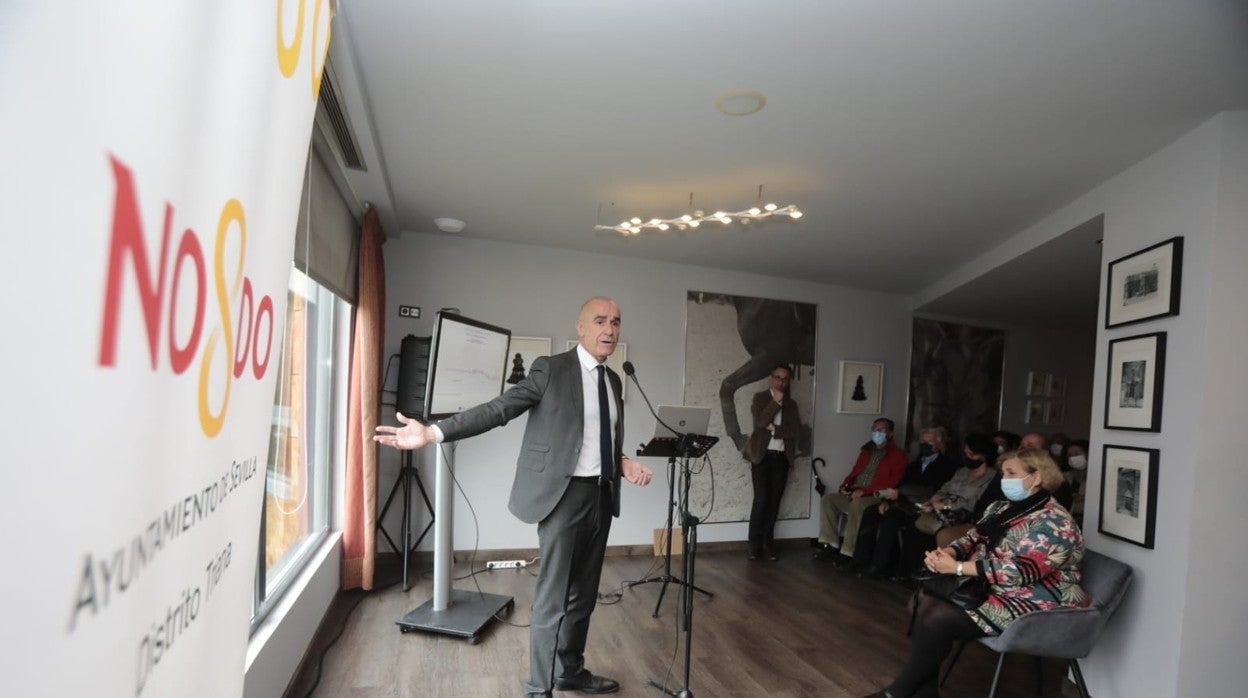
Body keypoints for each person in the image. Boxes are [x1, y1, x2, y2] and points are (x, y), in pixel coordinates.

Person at [375, 297, 654, 698]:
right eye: (600, 321)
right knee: (553, 598)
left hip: (602, 498)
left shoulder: (612, 381)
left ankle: (569, 671)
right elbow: (498, 408)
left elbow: (600, 440)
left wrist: (624, 461)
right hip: (562, 498)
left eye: (616, 321)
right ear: (580, 327)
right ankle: (538, 689)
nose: (609, 329)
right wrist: (434, 432)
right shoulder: (551, 369)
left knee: (585, 597)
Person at [862, 448, 1087, 698]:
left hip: (1036, 602)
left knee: (937, 618)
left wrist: (957, 568)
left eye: (1011, 473)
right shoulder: (1001, 508)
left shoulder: (1055, 521)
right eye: (1003, 473)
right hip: (993, 589)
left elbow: (1022, 571)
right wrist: (947, 552)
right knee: (920, 601)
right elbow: (971, 538)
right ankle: (923, 694)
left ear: (1037, 477)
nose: (1004, 479)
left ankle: (897, 693)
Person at [863, 434, 997, 579]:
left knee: (928, 530)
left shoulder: (991, 477)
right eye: (966, 453)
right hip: (938, 510)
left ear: (983, 456)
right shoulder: (962, 471)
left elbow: (974, 503)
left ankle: (933, 574)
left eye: (971, 454)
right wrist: (934, 500)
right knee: (915, 526)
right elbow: (945, 488)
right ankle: (906, 572)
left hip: (961, 515)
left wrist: (945, 505)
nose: (967, 457)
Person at [849, 426, 956, 572]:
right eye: (922, 441)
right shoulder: (914, 465)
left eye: (929, 442)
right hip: (902, 502)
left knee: (891, 518)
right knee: (871, 511)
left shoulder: (947, 465)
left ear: (940, 444)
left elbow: (933, 490)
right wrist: (887, 501)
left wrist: (901, 495)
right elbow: (900, 485)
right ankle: (860, 560)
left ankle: (879, 566)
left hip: (923, 507)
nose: (924, 445)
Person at [814, 418, 908, 566]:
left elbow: (893, 482)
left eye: (881, 430)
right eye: (874, 429)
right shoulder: (866, 451)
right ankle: (830, 544)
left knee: (857, 505)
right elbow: (854, 472)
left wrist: (864, 491)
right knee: (828, 500)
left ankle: (849, 552)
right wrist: (845, 487)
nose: (877, 433)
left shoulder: (898, 455)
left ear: (890, 433)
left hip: (875, 496)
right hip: (856, 492)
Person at [742, 363, 802, 561]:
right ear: (772, 378)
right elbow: (760, 423)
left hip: (781, 458)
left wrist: (775, 429)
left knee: (774, 501)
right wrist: (775, 402)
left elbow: (795, 431)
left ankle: (768, 542)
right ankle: (753, 543)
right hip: (762, 456)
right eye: (778, 377)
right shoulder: (760, 398)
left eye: (785, 379)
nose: (781, 382)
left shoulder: (792, 405)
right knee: (761, 500)